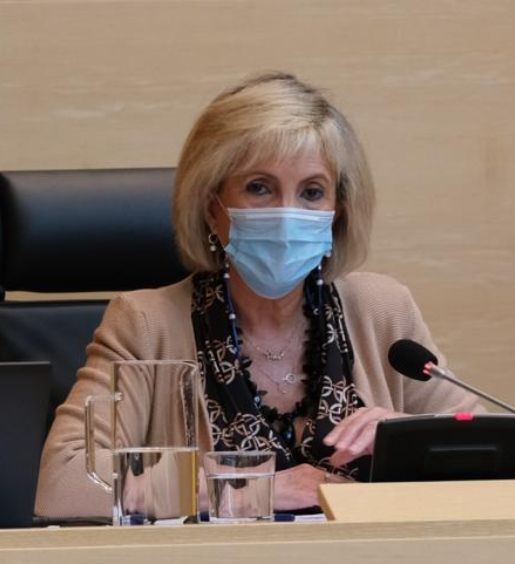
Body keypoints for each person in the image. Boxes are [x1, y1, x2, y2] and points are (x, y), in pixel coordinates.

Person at [34, 72, 479, 517]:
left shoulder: (382, 309)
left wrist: (410, 437)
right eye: (259, 187)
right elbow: (64, 482)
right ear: (212, 207)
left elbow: (495, 456)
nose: (287, 214)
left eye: (312, 192)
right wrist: (250, 489)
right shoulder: (146, 324)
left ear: (337, 212)